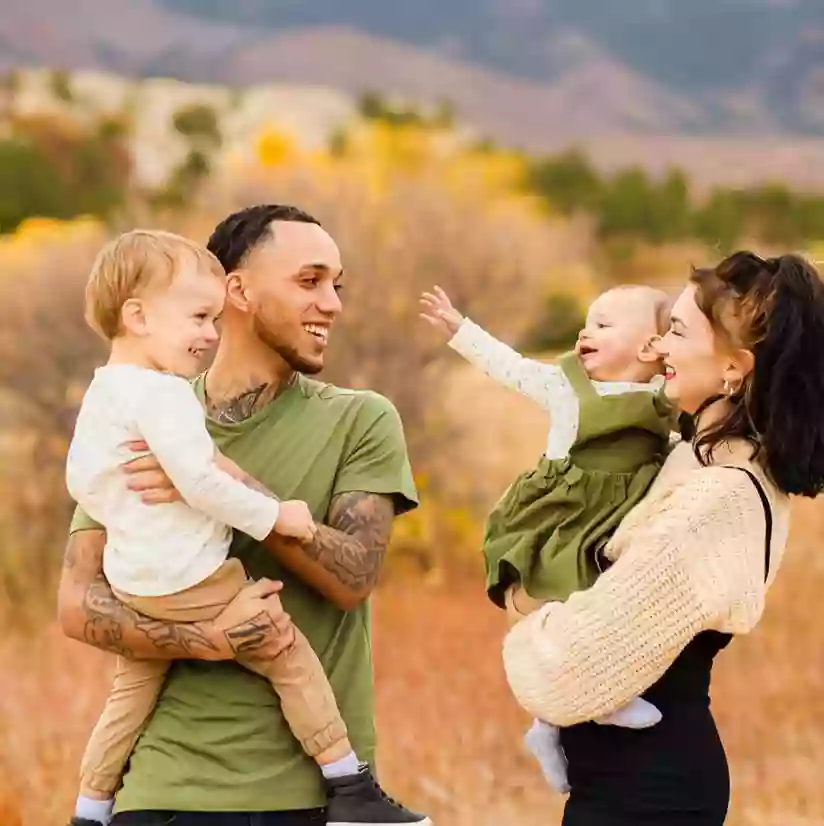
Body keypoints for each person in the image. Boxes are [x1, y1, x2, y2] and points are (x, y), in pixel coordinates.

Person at [59, 205, 431, 826]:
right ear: (237, 289)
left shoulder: (361, 420)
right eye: (310, 281)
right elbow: (77, 606)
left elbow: (353, 577)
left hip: (305, 796)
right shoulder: (144, 413)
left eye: (338, 285)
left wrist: (216, 481)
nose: (333, 304)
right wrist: (209, 642)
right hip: (163, 793)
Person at [500, 251, 824, 825]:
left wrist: (522, 604)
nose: (658, 348)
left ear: (735, 368)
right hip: (632, 783)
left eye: (674, 331)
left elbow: (566, 671)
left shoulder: (717, 497)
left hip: (649, 795)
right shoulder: (696, 459)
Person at [420, 283, 678, 792]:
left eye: (604, 323)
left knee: (617, 605)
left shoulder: (665, 396)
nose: (586, 331)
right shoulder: (566, 386)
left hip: (619, 520)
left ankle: (559, 721)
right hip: (565, 517)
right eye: (587, 321)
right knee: (569, 608)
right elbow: (511, 368)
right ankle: (566, 717)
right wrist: (460, 329)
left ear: (651, 347)